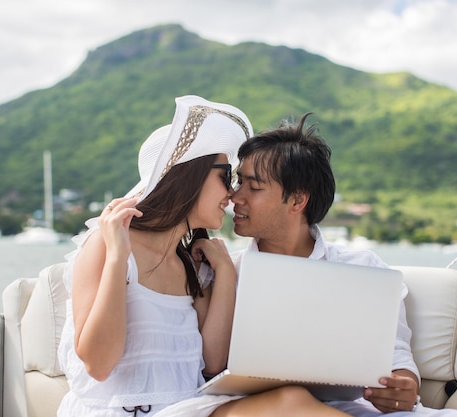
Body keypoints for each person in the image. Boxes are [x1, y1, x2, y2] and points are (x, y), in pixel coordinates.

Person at [57, 96, 352, 417]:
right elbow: (98, 365)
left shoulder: (190, 264)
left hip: (186, 407)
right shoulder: (106, 244)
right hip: (122, 411)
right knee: (290, 403)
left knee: (293, 399)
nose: (232, 193)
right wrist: (117, 257)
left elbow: (213, 362)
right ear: (189, 176)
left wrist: (225, 270)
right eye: (226, 177)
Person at [227, 113, 457, 417]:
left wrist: (402, 386)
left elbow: (396, 357)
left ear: (296, 201)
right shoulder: (228, 272)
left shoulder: (364, 269)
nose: (235, 197)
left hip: (352, 407)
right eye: (239, 182)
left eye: (253, 187)